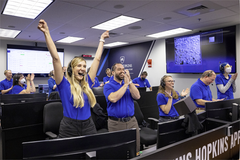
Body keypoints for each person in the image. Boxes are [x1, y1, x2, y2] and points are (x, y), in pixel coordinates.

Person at [38, 19, 109, 138]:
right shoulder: (63, 84)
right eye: (79, 66)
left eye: (84, 66)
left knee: (91, 154)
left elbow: (97, 59)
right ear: (72, 69)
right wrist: (47, 33)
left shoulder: (87, 83)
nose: (82, 68)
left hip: (89, 126)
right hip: (69, 127)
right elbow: (56, 58)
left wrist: (101, 40)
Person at [103, 63, 141, 153]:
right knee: (118, 152)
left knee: (135, 149)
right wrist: (125, 85)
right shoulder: (108, 85)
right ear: (113, 72)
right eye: (119, 69)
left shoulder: (128, 84)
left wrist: (130, 82)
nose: (122, 71)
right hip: (116, 123)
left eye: (123, 69)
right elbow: (113, 98)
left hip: (132, 122)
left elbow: (137, 96)